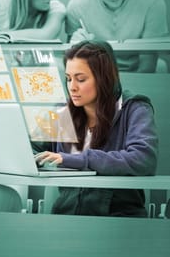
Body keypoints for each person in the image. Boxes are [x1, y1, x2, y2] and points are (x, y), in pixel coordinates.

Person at [35, 40, 158, 217]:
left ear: (104, 78)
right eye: (68, 79)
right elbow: (34, 148)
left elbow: (143, 159)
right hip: (66, 215)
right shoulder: (63, 111)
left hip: (119, 218)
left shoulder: (135, 109)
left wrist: (76, 159)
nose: (72, 87)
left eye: (81, 79)